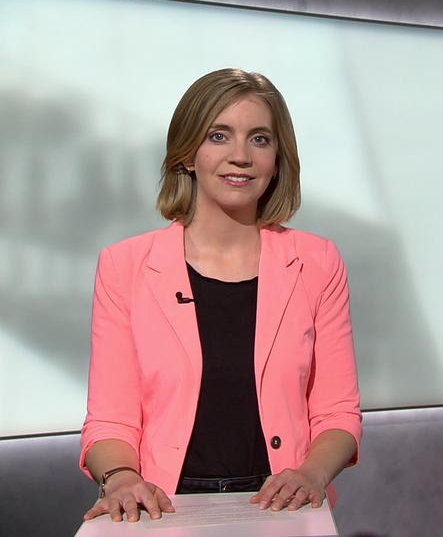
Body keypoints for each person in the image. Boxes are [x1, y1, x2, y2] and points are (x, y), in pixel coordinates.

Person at [80, 69, 362, 523]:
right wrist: (121, 478)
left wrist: (310, 473)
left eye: (259, 139)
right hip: (163, 509)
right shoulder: (124, 267)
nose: (240, 156)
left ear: (277, 160)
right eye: (219, 136)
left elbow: (337, 414)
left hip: (281, 506)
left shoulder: (318, 262)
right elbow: (111, 420)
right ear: (188, 154)